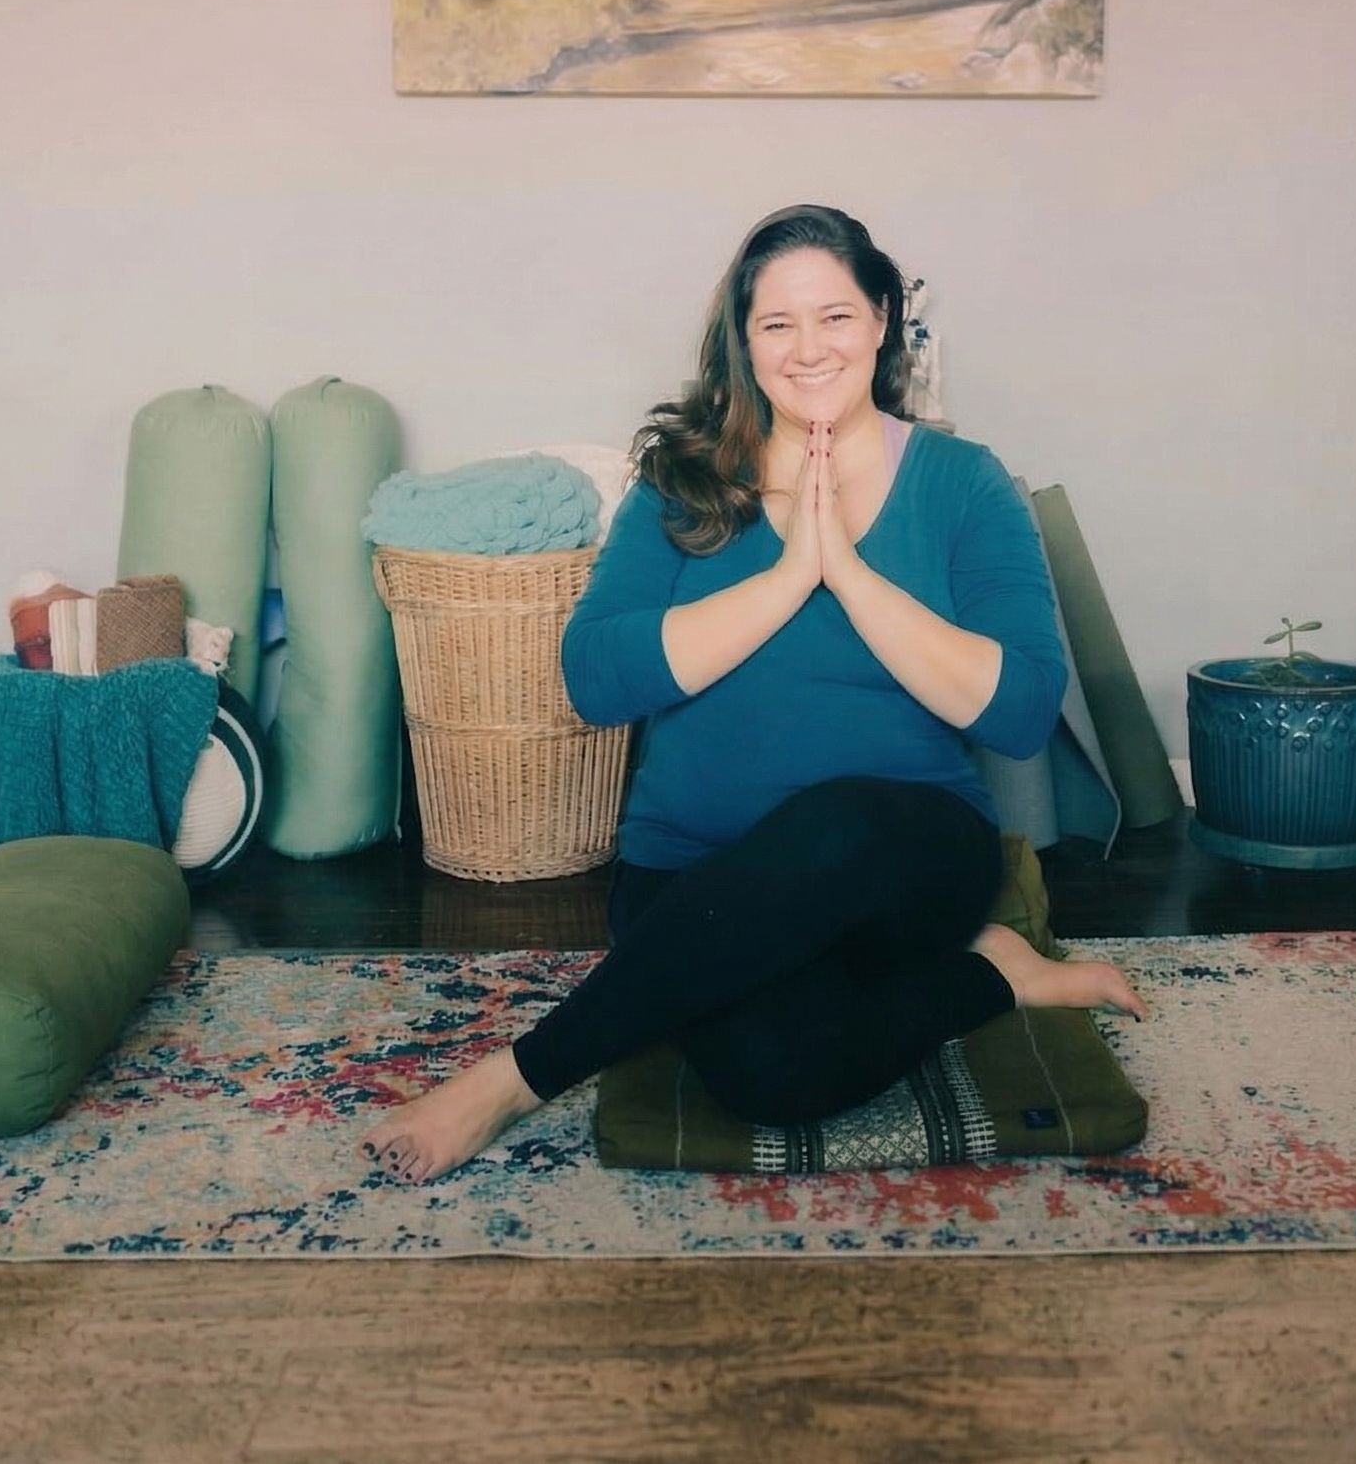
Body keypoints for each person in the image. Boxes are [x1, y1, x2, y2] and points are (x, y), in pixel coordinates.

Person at [363, 204, 1148, 1183]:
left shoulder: (961, 484)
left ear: (881, 322)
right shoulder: (685, 483)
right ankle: (993, 972)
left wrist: (851, 576)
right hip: (691, 874)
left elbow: (1021, 707)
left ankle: (511, 1082)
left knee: (839, 821)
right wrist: (786, 579)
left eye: (835, 317)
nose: (808, 347)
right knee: (772, 1070)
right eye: (777, 324)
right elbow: (596, 678)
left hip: (903, 862)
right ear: (742, 345)